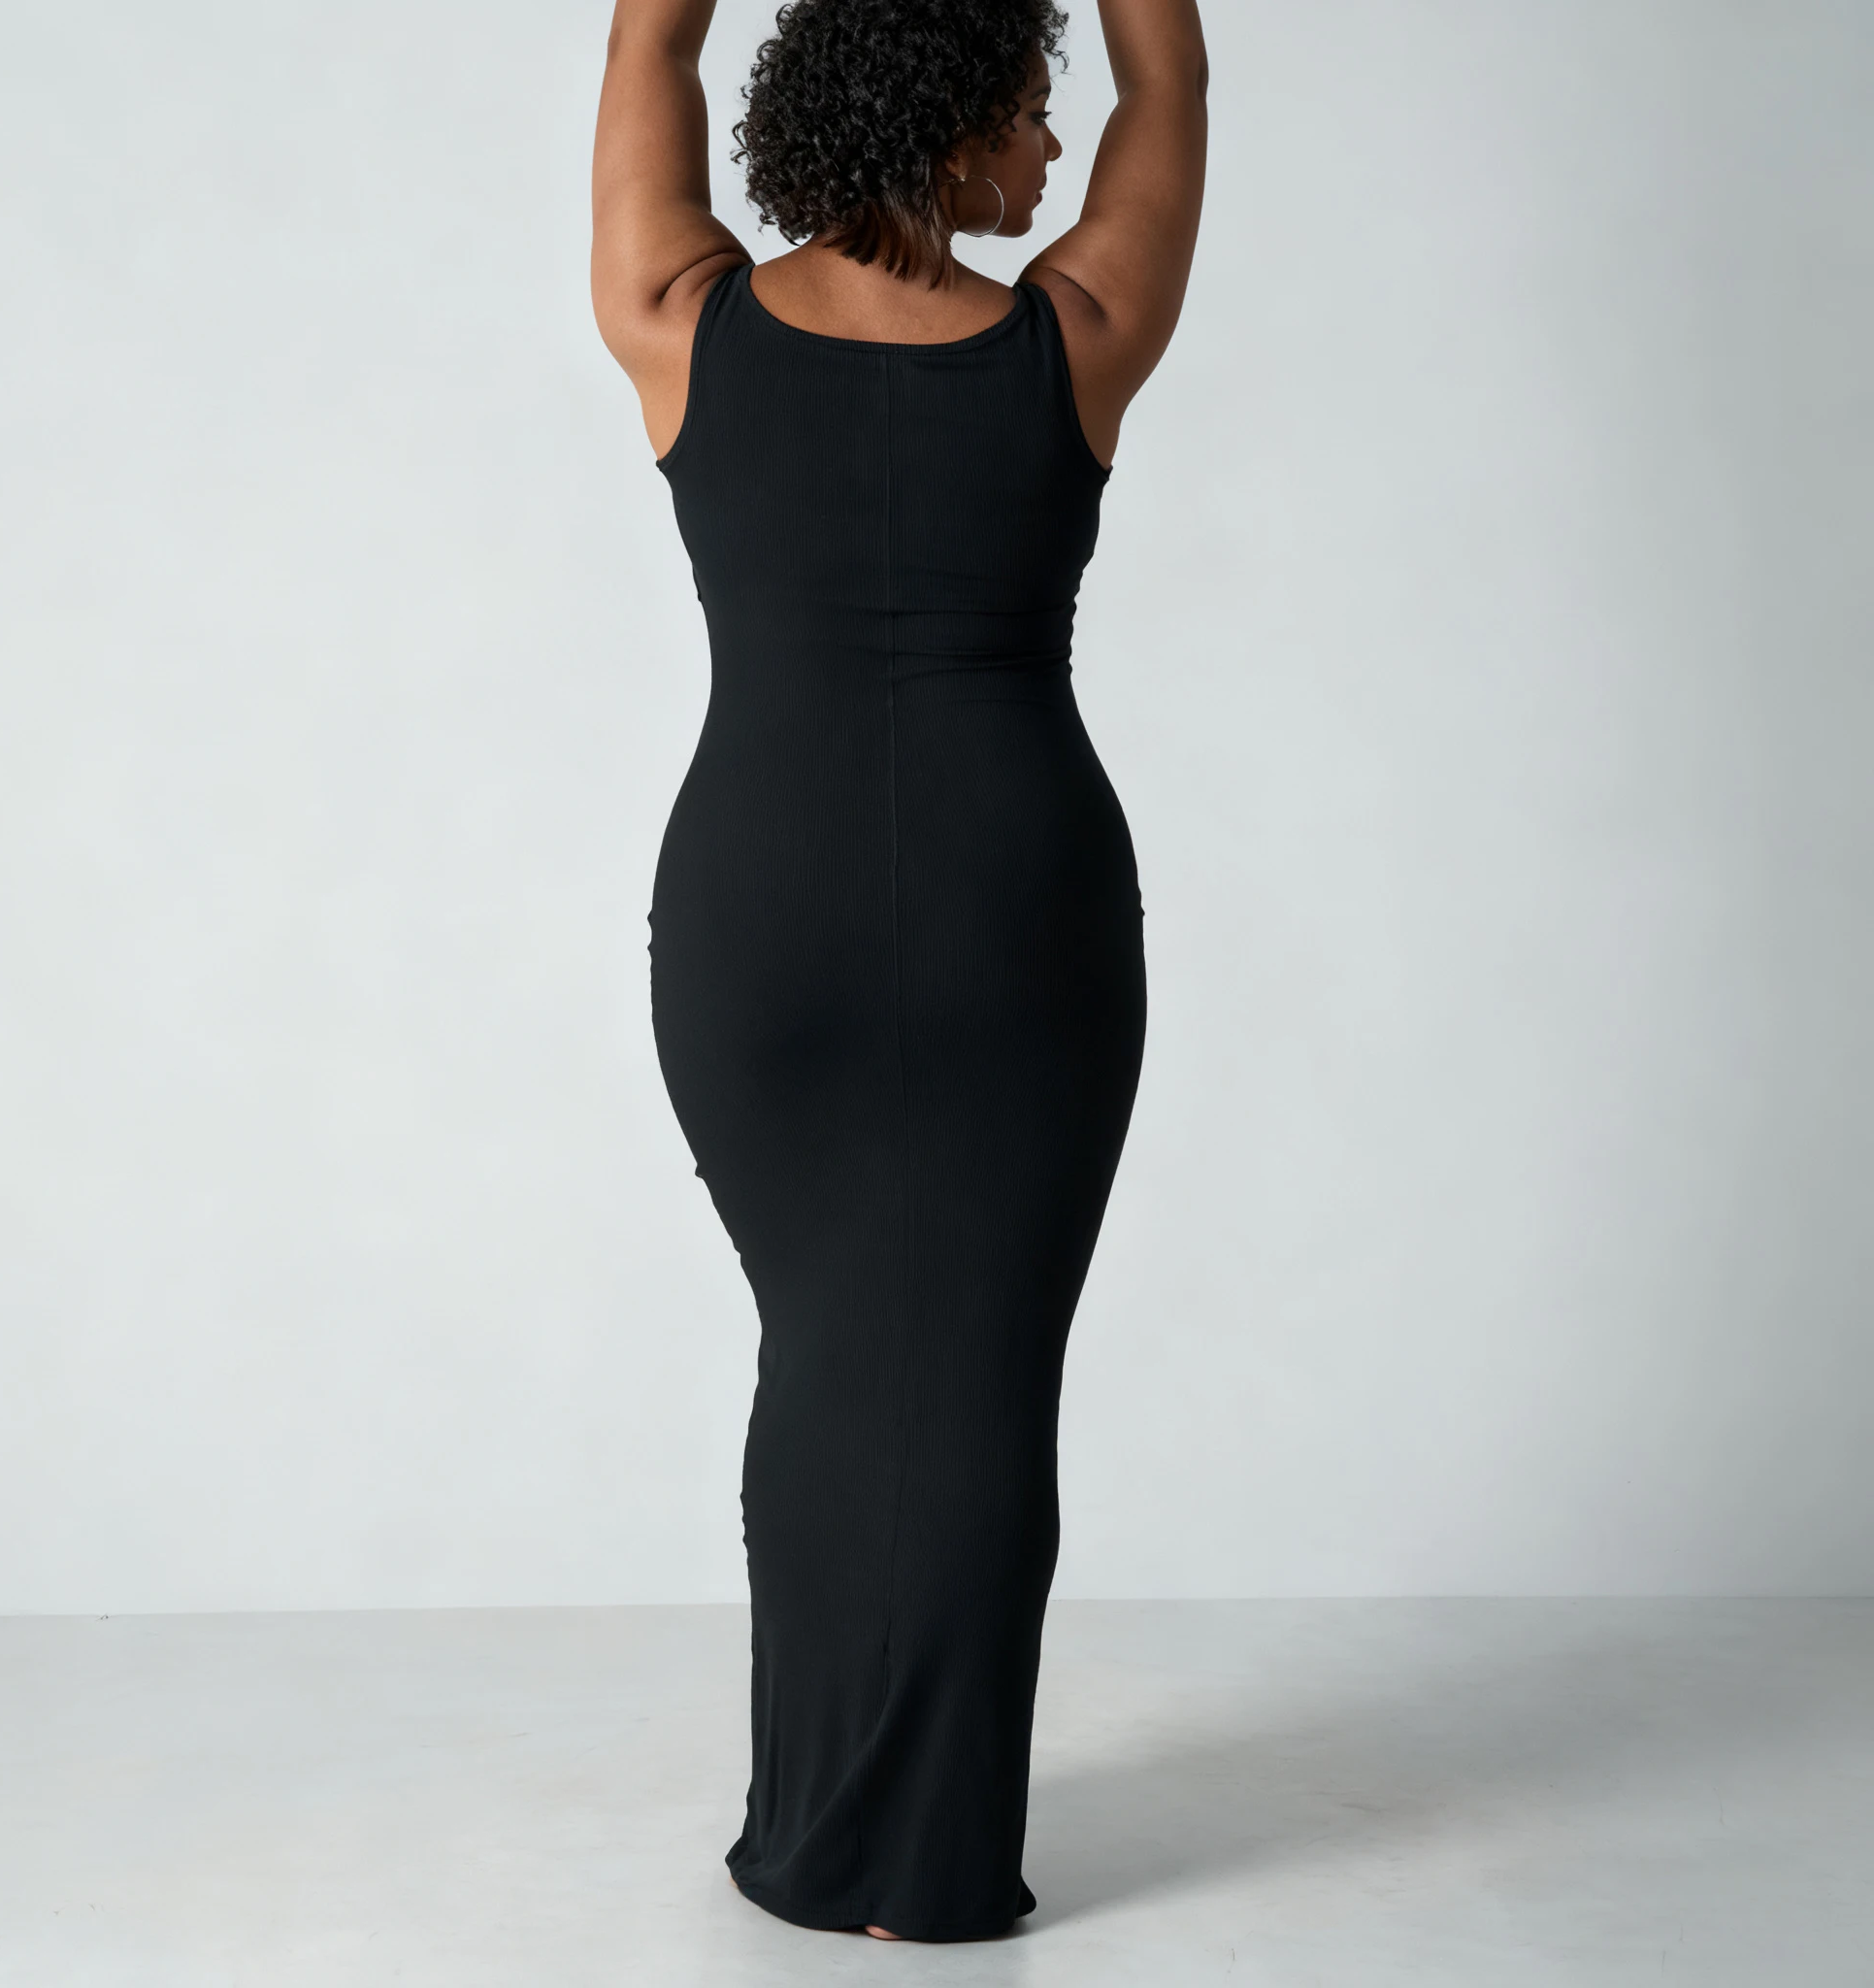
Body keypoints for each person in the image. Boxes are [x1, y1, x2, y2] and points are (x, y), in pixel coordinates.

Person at [590, 0, 1206, 1943]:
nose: (1049, 154)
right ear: (946, 132)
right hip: (1014, 910)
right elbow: (1174, 82)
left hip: (758, 916)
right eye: (1026, 116)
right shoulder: (1070, 344)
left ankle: (812, 1829)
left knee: (827, 1345)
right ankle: (916, 1862)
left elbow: (650, 51)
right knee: (976, 1367)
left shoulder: (678, 321)